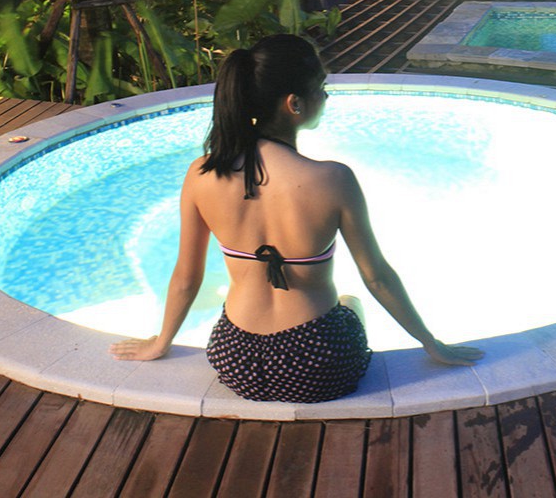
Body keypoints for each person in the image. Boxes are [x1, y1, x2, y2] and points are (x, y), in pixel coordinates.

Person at [109, 34, 481, 402]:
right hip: (318, 364)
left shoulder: (201, 174)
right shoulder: (333, 179)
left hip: (236, 360)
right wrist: (431, 344)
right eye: (321, 87)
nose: (326, 96)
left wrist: (160, 343)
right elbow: (377, 277)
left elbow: (186, 278)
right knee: (351, 301)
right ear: (294, 104)